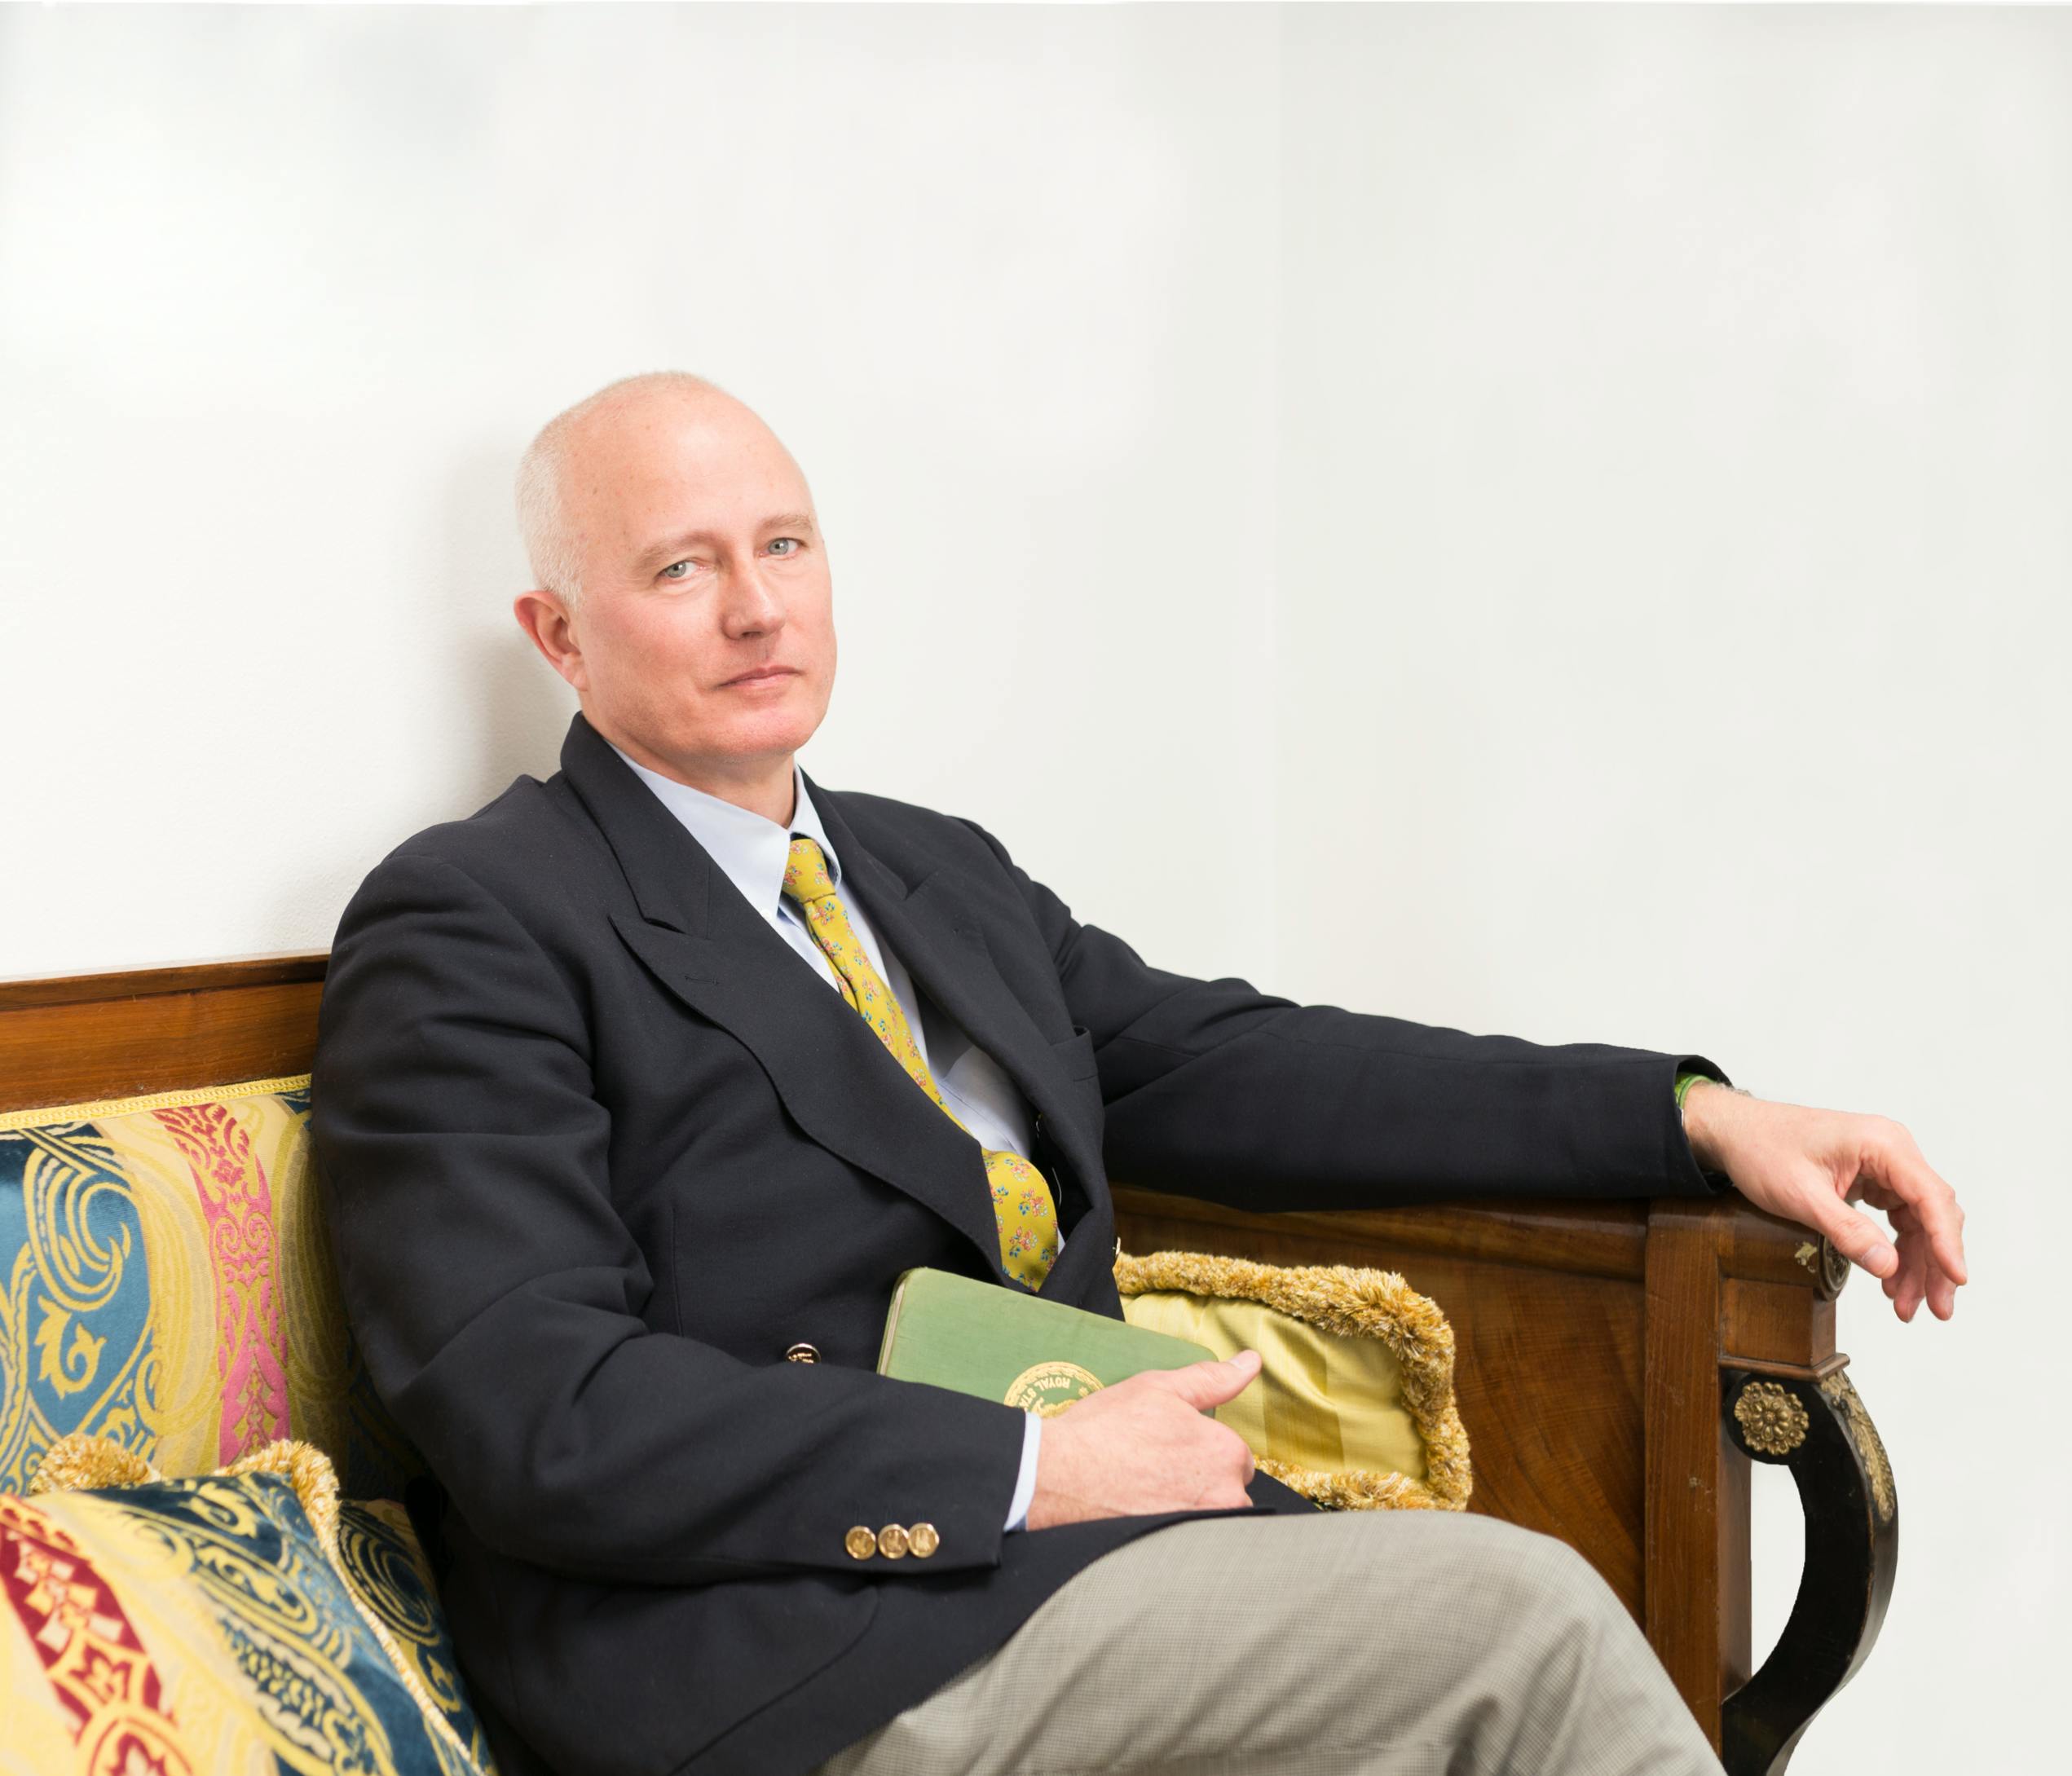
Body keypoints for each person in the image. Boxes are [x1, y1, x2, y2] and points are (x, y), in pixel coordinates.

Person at [310, 371, 1968, 1776]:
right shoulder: (477, 918)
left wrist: (1687, 1118)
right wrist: (1030, 1467)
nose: (758, 605)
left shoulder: (927, 871)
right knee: (1516, 1625)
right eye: (680, 567)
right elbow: (542, 1409)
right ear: (558, 633)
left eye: (785, 545)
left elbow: (1250, 1066)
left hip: (1085, 1558)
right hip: (779, 1636)